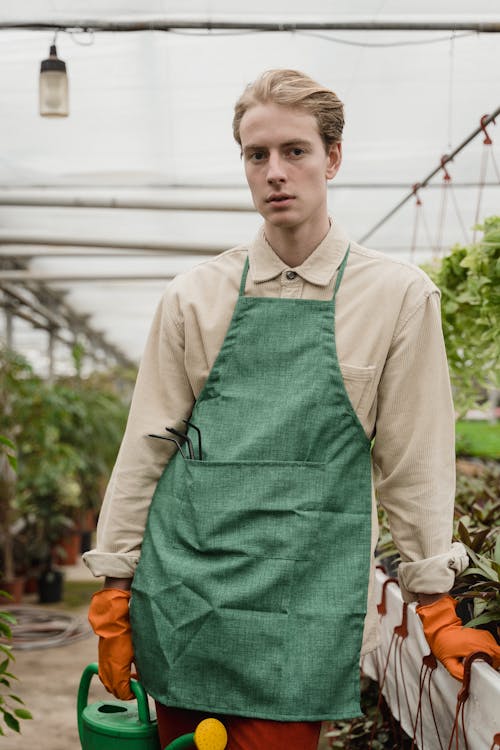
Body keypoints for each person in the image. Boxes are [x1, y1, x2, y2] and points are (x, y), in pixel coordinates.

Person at [84, 69, 500, 750]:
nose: (275, 172)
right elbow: (147, 448)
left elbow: (413, 459)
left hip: (302, 606)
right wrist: (115, 584)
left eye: (295, 151)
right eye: (257, 155)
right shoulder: (195, 296)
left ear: (332, 158)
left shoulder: (396, 297)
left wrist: (434, 599)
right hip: (185, 597)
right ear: (244, 165)